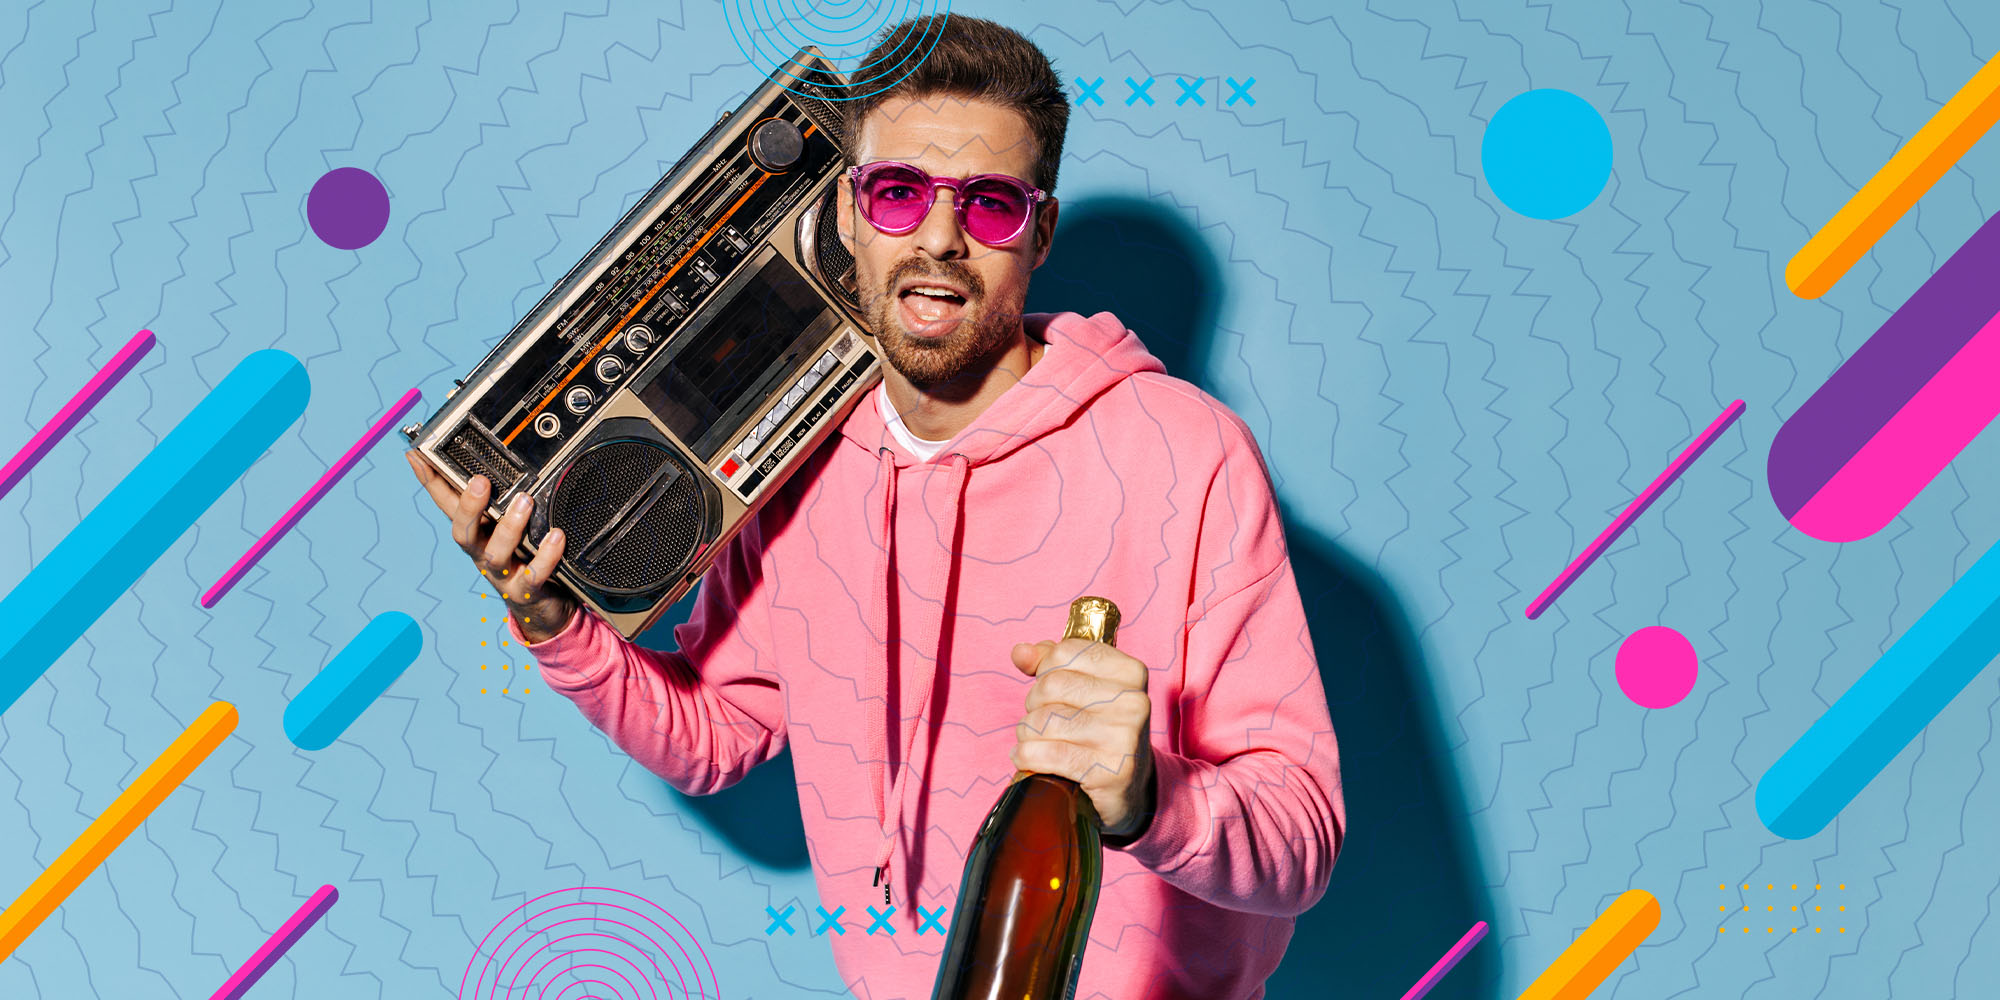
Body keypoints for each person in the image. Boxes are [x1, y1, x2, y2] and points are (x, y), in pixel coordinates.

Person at [408, 14, 1344, 999]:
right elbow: (714, 732)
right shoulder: (800, 458)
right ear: (849, 213)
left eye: (989, 205)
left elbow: (1303, 838)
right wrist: (553, 622)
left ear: (1039, 233)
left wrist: (1150, 799)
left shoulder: (1184, 453)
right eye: (898, 192)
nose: (938, 238)